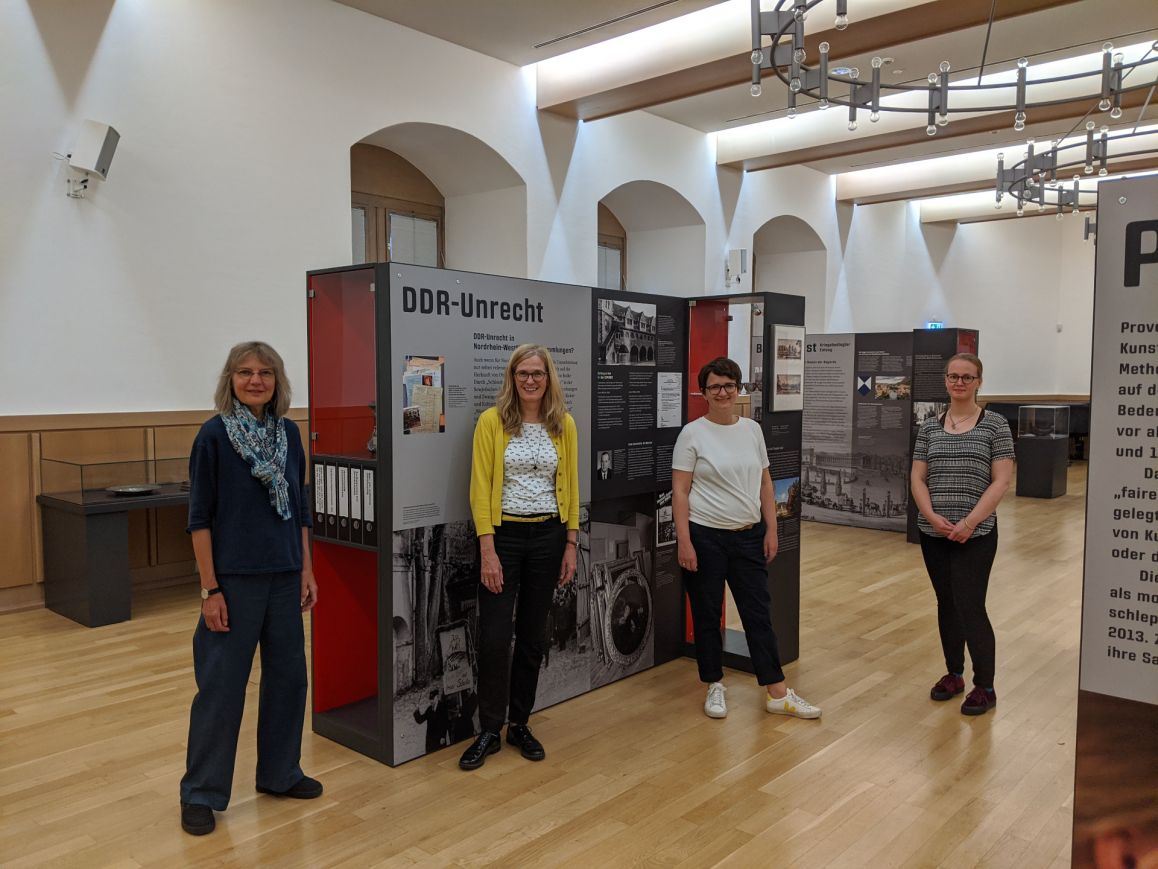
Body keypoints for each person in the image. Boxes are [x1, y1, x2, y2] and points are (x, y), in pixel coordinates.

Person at [179, 341, 321, 836]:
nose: (256, 380)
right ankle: (201, 792)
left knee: (289, 682)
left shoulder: (289, 434)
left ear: (277, 381)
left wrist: (305, 569)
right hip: (232, 586)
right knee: (220, 690)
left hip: (284, 579)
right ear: (231, 380)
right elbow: (199, 520)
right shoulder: (213, 437)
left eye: (265, 372)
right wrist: (209, 590)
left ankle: (280, 774)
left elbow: (301, 510)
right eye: (245, 372)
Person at [672, 357, 821, 721]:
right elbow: (680, 491)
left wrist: (771, 528)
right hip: (706, 537)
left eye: (729, 385)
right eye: (715, 386)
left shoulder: (752, 430)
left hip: (748, 536)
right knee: (707, 614)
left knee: (758, 614)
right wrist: (685, 541)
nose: (723, 392)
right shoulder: (692, 433)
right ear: (704, 392)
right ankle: (714, 685)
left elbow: (766, 483)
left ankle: (776, 691)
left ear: (739, 389)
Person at [460, 344, 580, 770]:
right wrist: (487, 549)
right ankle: (490, 729)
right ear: (512, 378)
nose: (531, 380)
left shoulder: (563, 424)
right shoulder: (492, 423)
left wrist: (570, 543)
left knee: (533, 635)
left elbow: (573, 486)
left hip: (549, 535)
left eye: (538, 373)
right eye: (523, 373)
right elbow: (479, 489)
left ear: (549, 379)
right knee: (494, 637)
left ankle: (520, 724)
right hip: (504, 537)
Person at [911, 352, 1013, 716]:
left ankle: (984, 685)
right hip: (934, 532)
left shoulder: (995, 425)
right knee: (946, 604)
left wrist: (969, 523)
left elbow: (1001, 479)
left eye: (966, 377)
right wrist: (931, 515)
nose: (958, 382)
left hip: (978, 533)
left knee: (970, 605)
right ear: (946, 380)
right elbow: (917, 478)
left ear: (978, 381)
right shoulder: (929, 427)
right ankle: (953, 673)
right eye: (953, 376)